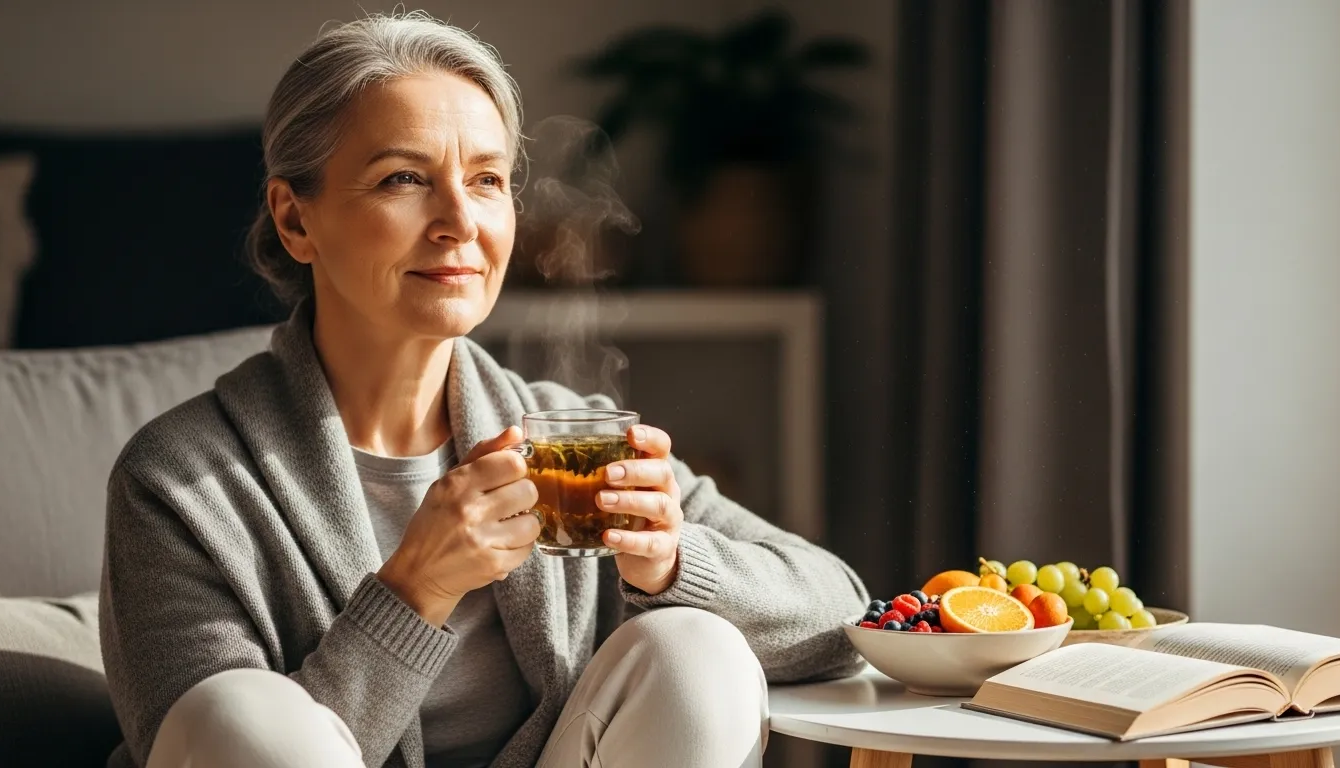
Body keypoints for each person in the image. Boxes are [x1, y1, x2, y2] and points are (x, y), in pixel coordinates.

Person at [98, 11, 868, 768]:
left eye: (488, 180)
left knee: (696, 647)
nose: (460, 221)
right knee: (239, 710)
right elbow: (206, 745)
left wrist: (672, 565)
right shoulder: (177, 483)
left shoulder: (576, 450)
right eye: (404, 178)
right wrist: (413, 591)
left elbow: (841, 615)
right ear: (295, 219)